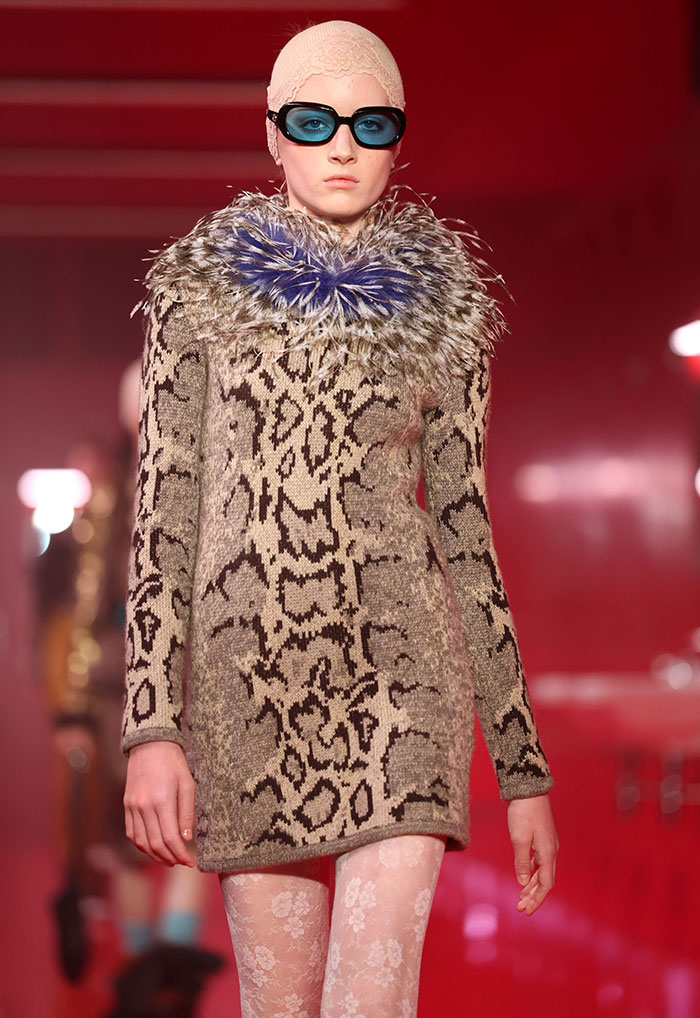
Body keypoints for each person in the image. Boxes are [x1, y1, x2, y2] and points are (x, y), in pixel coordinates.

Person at [121, 19, 560, 1018]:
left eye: (373, 123)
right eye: (314, 121)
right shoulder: (196, 296)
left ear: (400, 139)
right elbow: (164, 517)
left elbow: (465, 533)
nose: (344, 145)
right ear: (272, 133)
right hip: (246, 697)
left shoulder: (445, 308)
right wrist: (151, 727)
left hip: (402, 688)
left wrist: (522, 769)